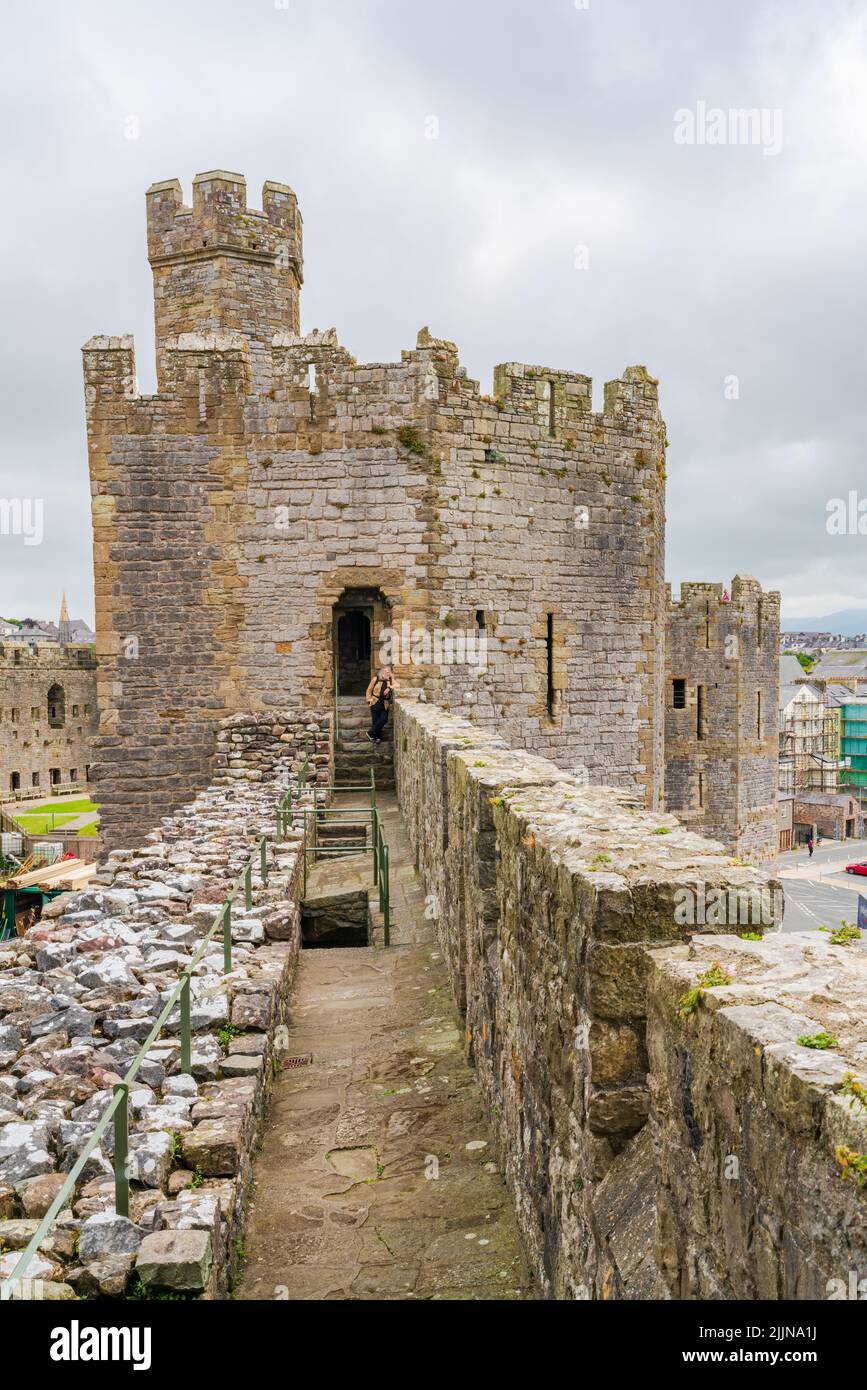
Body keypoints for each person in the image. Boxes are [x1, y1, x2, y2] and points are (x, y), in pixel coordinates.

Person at [365, 666, 394, 743]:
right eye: (386, 671)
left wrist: (390, 688)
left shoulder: (390, 681)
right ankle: (377, 738)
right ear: (382, 672)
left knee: (384, 719)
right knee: (376, 721)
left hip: (385, 703)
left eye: (389, 671)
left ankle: (370, 733)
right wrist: (369, 700)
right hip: (375, 702)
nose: (387, 673)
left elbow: (398, 685)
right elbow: (369, 690)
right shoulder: (376, 679)